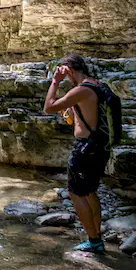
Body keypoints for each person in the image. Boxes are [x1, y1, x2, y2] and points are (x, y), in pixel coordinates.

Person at [43, 53, 113, 254]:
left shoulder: (80, 90)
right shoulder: (99, 85)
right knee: (90, 191)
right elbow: (83, 117)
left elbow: (48, 107)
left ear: (70, 70)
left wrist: (56, 82)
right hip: (100, 145)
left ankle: (93, 241)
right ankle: (97, 235)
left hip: (84, 149)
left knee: (75, 192)